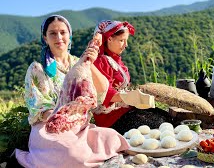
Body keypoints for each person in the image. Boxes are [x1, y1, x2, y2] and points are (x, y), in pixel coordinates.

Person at [14, 15, 129, 168]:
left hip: (79, 127)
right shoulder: (37, 68)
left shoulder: (77, 62)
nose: (59, 37)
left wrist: (89, 62)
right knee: (72, 154)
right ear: (45, 38)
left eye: (63, 32)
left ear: (70, 35)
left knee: (113, 138)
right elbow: (39, 107)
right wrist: (63, 118)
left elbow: (102, 90)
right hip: (48, 128)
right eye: (52, 33)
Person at [92, 20, 173, 135]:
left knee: (165, 116)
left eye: (126, 40)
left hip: (124, 110)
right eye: (122, 40)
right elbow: (104, 92)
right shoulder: (100, 62)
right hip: (110, 119)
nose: (126, 45)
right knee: (160, 123)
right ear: (109, 38)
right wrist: (129, 97)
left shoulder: (115, 60)